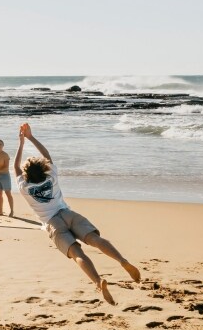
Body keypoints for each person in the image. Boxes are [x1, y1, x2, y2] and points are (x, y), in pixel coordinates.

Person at [14, 123, 140, 305]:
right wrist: (30, 137)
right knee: (96, 240)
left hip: (52, 223)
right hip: (67, 214)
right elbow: (47, 156)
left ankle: (98, 281)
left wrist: (20, 143)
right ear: (43, 169)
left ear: (27, 175)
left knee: (77, 254)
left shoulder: (25, 188)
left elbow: (16, 166)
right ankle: (122, 260)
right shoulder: (52, 177)